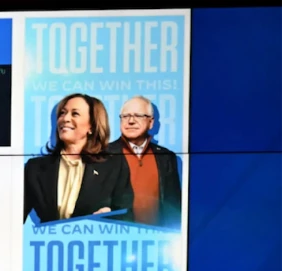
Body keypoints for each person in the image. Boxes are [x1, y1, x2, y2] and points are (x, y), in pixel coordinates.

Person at [23, 93, 132, 223]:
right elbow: (11, 217)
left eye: (75, 114)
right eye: (62, 113)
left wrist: (110, 218)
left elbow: (127, 216)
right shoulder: (35, 168)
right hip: (47, 242)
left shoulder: (113, 166)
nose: (65, 119)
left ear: (91, 126)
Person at [106, 96, 182, 227]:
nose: (131, 121)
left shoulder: (166, 157)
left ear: (151, 122)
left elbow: (173, 206)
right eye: (125, 116)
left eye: (138, 116)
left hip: (159, 240)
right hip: (116, 239)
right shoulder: (103, 155)